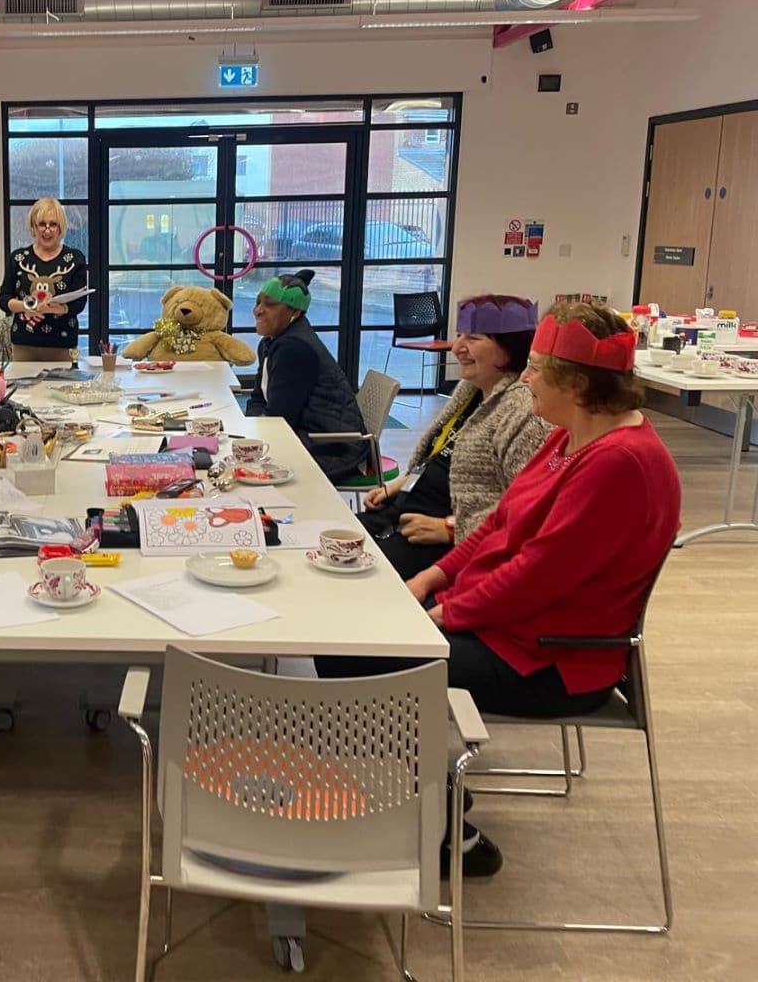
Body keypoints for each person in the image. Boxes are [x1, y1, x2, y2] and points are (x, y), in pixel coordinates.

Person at [324, 301, 682, 876]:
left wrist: (439, 616)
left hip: (552, 658)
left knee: (357, 656)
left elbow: (536, 575)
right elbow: (496, 526)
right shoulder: (570, 439)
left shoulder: (619, 462)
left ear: (580, 384)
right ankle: (411, 796)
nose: (528, 378)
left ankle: (445, 834)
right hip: (514, 630)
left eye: (539, 368)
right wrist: (431, 578)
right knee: (359, 632)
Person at [360, 295, 549, 579]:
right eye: (460, 336)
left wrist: (450, 528)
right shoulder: (470, 390)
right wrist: (401, 484)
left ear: (509, 349)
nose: (458, 347)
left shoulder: (523, 412)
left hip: (446, 543)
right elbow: (441, 457)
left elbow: (528, 512)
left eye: (472, 338)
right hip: (405, 512)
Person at [245, 269, 366, 480]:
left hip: (331, 448)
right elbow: (257, 398)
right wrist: (255, 422)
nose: (257, 311)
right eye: (258, 302)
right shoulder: (272, 342)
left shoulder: (294, 349)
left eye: (270, 305)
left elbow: (280, 419)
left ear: (295, 313)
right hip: (304, 435)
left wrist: (253, 431)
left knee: (240, 468)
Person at [0, 197, 89, 363]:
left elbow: (79, 303)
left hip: (62, 345)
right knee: (24, 389)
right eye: (42, 224)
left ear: (61, 228)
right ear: (33, 227)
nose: (47, 230)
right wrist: (27, 306)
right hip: (24, 345)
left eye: (53, 224)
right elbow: (3, 299)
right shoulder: (17, 258)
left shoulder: (76, 259)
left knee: (60, 389)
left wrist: (54, 309)